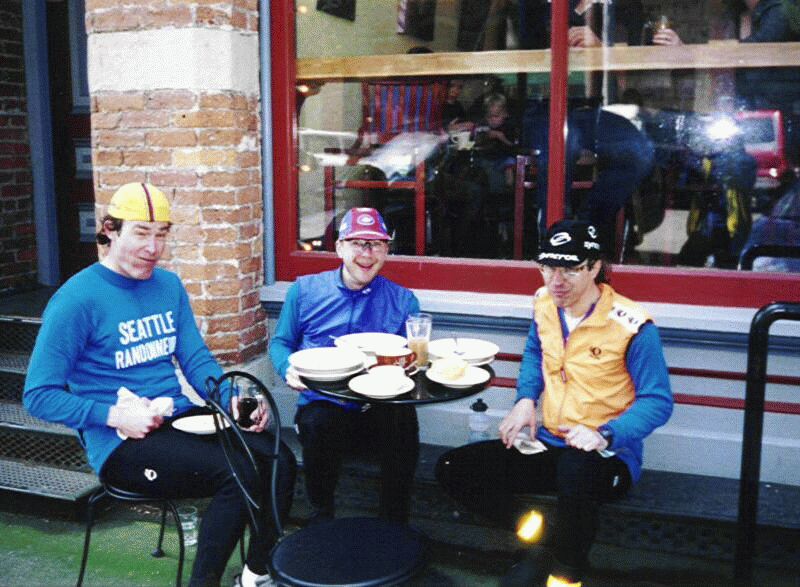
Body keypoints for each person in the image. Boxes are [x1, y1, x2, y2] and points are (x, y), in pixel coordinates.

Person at [23, 183, 297, 587]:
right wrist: (114, 415)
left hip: (177, 420)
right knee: (236, 473)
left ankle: (255, 575)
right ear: (110, 230)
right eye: (141, 233)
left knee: (278, 458)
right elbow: (38, 396)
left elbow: (196, 360)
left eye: (162, 234)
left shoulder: (168, 286)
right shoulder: (76, 299)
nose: (153, 248)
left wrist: (232, 398)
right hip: (120, 443)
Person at [436, 219, 673, 586]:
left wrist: (605, 434)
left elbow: (658, 401)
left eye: (570, 269)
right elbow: (536, 351)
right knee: (454, 467)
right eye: (547, 267)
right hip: (549, 442)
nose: (556, 280)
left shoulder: (632, 325)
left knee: (576, 473)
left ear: (594, 267)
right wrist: (525, 399)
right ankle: (541, 537)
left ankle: (565, 576)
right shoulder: (545, 302)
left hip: (607, 455)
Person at [269, 207, 421, 524]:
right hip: (324, 405)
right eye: (357, 243)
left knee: (402, 418)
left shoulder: (403, 301)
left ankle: (394, 524)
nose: (367, 253)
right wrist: (287, 369)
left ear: (386, 251)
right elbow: (280, 343)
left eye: (376, 244)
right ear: (339, 247)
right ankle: (320, 517)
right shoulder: (304, 291)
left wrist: (411, 363)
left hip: (375, 408)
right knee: (319, 422)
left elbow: (412, 358)